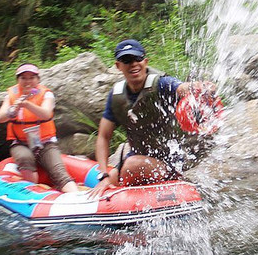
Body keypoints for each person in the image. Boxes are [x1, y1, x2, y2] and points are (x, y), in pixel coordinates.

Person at [90, 39, 217, 197]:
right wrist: (104, 175)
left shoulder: (162, 84)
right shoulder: (116, 96)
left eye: (137, 58)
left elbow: (182, 88)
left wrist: (198, 87)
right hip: (139, 156)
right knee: (114, 177)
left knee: (131, 166)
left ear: (145, 61)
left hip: (171, 160)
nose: (133, 64)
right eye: (126, 60)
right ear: (118, 66)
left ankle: (175, 182)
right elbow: (103, 136)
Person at [0, 63, 78, 193]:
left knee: (58, 170)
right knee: (24, 158)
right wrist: (13, 109)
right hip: (20, 143)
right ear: (18, 80)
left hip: (45, 142)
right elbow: (0, 118)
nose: (27, 81)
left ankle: (77, 196)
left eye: (31, 77)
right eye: (23, 78)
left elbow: (46, 113)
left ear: (37, 79)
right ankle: (33, 192)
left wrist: (27, 104)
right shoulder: (11, 95)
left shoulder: (46, 94)